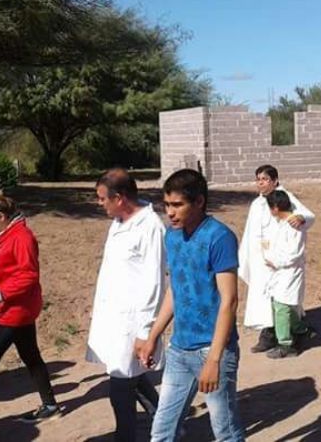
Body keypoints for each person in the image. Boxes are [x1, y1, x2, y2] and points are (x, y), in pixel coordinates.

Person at [137, 169, 245, 441]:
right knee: (162, 431)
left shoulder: (219, 237)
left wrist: (214, 360)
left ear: (199, 202)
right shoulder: (172, 237)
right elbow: (177, 289)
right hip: (179, 350)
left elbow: (229, 301)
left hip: (213, 349)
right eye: (166, 205)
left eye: (177, 205)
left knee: (226, 431)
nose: (170, 213)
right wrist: (153, 336)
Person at [0, 192, 62, 423]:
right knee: (31, 356)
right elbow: (6, 271)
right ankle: (50, 405)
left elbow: (28, 275)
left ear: (1, 216)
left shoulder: (21, 237)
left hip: (17, 309)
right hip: (18, 306)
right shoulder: (9, 235)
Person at [86, 168, 165, 441]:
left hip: (133, 322)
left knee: (120, 388)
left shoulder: (151, 227)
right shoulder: (118, 221)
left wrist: (146, 332)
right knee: (132, 377)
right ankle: (169, 424)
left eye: (102, 198)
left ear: (119, 198)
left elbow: (155, 283)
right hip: (114, 318)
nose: (99, 204)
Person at [239, 164, 314, 354]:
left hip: (281, 261)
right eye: (258, 179)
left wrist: (301, 218)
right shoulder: (257, 203)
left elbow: (305, 215)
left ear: (274, 181)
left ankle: (282, 337)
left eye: (264, 179)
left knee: (280, 300)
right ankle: (269, 333)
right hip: (261, 259)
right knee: (265, 298)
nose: (260, 183)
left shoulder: (283, 198)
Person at [261, 190, 311, 359]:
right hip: (279, 272)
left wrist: (275, 262)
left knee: (282, 306)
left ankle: (286, 344)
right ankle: (300, 329)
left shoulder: (294, 225)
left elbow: (293, 253)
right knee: (286, 304)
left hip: (289, 271)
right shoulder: (281, 223)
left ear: (275, 208)